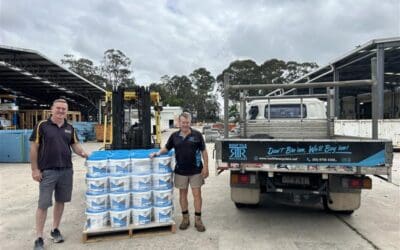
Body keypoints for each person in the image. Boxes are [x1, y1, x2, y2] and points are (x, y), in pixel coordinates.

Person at [30, 99, 88, 250]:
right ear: (52, 109)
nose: (61, 111)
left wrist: (83, 153)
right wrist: (35, 169)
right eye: (58, 108)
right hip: (47, 171)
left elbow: (74, 145)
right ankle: (39, 237)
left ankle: (55, 229)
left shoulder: (70, 128)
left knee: (60, 201)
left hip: (66, 170)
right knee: (43, 204)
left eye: (64, 109)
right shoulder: (42, 126)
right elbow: (34, 148)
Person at [150, 112, 209, 232]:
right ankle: (185, 219)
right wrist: (156, 153)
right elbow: (167, 148)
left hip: (196, 171)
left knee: (197, 195)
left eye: (187, 122)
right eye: (183, 122)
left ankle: (198, 220)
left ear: (190, 122)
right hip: (180, 171)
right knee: (183, 195)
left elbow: (204, 151)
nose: (185, 125)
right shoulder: (174, 136)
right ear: (179, 123)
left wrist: (206, 167)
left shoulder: (197, 135)